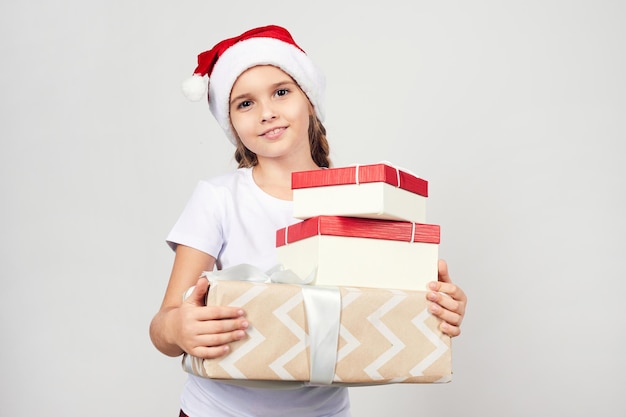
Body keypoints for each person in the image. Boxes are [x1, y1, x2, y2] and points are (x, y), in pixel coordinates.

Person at [149, 25, 467, 417]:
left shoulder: (358, 199)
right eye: (244, 103)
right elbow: (163, 327)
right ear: (231, 123)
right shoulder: (218, 198)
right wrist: (179, 329)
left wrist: (438, 307)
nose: (267, 113)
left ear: (310, 101)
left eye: (281, 92)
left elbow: (387, 305)